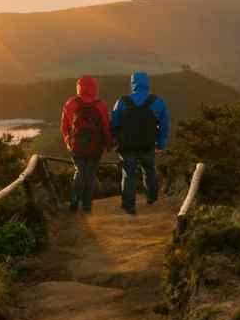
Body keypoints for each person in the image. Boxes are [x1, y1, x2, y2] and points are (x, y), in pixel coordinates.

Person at [109, 70, 171, 213]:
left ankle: (129, 206)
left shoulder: (122, 102)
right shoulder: (157, 102)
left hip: (127, 146)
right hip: (148, 145)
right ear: (147, 84)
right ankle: (151, 197)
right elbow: (165, 125)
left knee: (128, 174)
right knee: (149, 170)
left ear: (132, 84)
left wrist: (115, 140)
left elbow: (113, 124)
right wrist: (160, 144)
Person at [59, 75, 113, 213]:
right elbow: (106, 127)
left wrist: (68, 141)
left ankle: (74, 199)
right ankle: (87, 204)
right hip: (95, 148)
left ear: (79, 87)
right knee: (89, 174)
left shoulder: (71, 103)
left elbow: (64, 126)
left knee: (79, 171)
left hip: (76, 147)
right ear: (95, 87)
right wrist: (108, 144)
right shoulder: (100, 105)